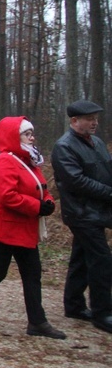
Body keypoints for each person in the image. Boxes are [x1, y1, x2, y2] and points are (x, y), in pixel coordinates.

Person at [0, 117, 66, 339]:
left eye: (32, 133)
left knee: (32, 273)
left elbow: (41, 187)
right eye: (26, 134)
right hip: (3, 227)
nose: (32, 137)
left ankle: (37, 322)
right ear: (13, 136)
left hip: (24, 227)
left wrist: (48, 202)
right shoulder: (5, 161)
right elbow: (7, 196)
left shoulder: (29, 160)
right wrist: (38, 206)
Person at [51, 100, 112, 334]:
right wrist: (108, 193)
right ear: (74, 121)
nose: (94, 122)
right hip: (81, 213)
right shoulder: (64, 147)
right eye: (89, 119)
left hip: (96, 211)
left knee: (81, 257)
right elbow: (75, 181)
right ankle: (102, 312)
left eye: (95, 118)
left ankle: (74, 305)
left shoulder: (96, 143)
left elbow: (106, 169)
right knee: (101, 259)